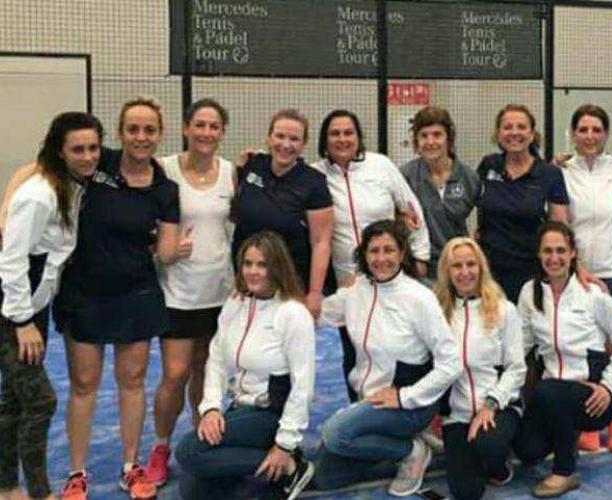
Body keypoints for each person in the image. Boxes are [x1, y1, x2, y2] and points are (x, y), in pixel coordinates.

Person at [57, 97, 180, 500]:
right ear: (121, 132)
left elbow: (166, 251)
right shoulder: (98, 162)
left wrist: (172, 246)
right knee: (83, 384)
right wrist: (8, 203)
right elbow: (39, 169)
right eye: (133, 129)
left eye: (149, 130)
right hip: (85, 295)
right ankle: (77, 474)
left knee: (132, 382)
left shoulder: (166, 189)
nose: (140, 137)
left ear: (159, 134)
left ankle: (131, 467)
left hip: (136, 296)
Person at [312, 219, 461, 497]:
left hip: (410, 405)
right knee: (326, 477)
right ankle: (391, 441)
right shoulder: (356, 291)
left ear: (402, 253)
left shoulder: (419, 298)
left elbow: (452, 363)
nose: (381, 259)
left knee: (335, 434)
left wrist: (406, 397)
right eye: (374, 251)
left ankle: (412, 451)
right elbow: (315, 314)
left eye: (389, 250)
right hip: (368, 401)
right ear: (364, 255)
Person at [0, 112, 102, 500]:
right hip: (12, 310)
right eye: (78, 150)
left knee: (14, 400)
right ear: (60, 151)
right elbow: (11, 259)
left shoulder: (72, 185)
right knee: (41, 401)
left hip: (35, 305)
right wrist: (21, 321)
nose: (88, 156)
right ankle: (40, 492)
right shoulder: (38, 195)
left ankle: (7, 486)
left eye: (93, 148)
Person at [174, 231, 316, 500]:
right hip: (239, 407)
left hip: (271, 413)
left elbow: (303, 386)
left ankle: (290, 466)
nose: (253, 271)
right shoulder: (235, 304)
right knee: (193, 491)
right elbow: (216, 360)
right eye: (248, 264)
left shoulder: (293, 314)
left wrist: (284, 444)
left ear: (277, 267)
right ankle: (264, 463)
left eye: (262, 265)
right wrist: (211, 409)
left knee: (189, 452)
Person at [146, 98, 236, 486]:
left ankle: (203, 444)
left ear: (222, 132)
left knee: (206, 371)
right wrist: (157, 246)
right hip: (177, 292)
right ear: (186, 128)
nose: (206, 133)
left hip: (221, 292)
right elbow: (137, 215)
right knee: (175, 374)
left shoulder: (231, 172)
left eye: (214, 126)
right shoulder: (163, 169)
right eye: (200, 125)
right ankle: (161, 447)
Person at [312, 109, 431, 403]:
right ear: (324, 140)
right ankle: (359, 412)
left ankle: (405, 407)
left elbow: (411, 210)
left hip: (390, 275)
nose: (342, 139)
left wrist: (420, 258)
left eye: (348, 133)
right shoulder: (314, 176)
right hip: (348, 283)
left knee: (398, 347)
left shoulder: (381, 166)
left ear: (359, 137)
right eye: (335, 134)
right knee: (355, 351)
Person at [515, 221, 612, 498]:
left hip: (591, 400)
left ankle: (565, 472)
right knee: (526, 450)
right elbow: (520, 346)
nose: (554, 258)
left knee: (548, 390)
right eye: (547, 251)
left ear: (572, 254)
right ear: (539, 254)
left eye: (560, 250)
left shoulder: (592, 294)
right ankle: (566, 436)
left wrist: (608, 387)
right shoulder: (529, 293)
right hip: (549, 396)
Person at [562, 104, 612, 454]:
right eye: (583, 130)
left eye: (596, 130)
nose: (590, 136)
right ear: (573, 134)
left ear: (606, 134)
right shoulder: (561, 172)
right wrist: (575, 266)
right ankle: (589, 421)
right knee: (582, 349)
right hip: (576, 273)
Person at [435, 237, 525, 500]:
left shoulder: (504, 309)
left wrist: (490, 405)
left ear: (481, 267)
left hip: (498, 407)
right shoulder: (436, 312)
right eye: (457, 266)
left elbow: (517, 368)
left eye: (471, 264)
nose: (465, 272)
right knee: (466, 493)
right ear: (447, 271)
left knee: (489, 443)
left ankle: (499, 467)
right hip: (457, 415)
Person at [231, 108, 333, 318]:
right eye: (280, 136)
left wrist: (315, 293)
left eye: (294, 139)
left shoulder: (314, 182)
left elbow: (321, 241)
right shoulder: (252, 164)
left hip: (290, 287)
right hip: (246, 282)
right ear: (269, 137)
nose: (286, 145)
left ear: (304, 143)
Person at [476, 104, 569, 303]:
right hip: (489, 273)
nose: (514, 133)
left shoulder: (549, 174)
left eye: (521, 127)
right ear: (498, 134)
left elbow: (559, 226)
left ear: (532, 133)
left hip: (531, 273)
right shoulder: (488, 165)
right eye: (507, 127)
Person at [400, 106, 482, 279]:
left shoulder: (469, 177)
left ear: (448, 139)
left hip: (458, 269)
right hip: (420, 269)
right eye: (424, 136)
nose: (430, 142)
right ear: (416, 141)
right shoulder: (405, 176)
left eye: (437, 135)